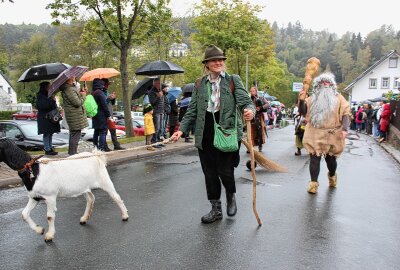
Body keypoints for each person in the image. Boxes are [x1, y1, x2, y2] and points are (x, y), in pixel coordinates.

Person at [170, 44, 255, 223]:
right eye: (214, 60)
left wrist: (249, 111)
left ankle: (231, 196)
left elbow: (245, 101)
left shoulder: (233, 80)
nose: (218, 63)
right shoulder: (200, 83)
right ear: (207, 64)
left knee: (224, 170)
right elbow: (192, 110)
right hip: (205, 131)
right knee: (209, 172)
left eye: (220, 60)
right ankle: (215, 208)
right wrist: (181, 130)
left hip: (227, 131)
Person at [298, 72, 350, 194]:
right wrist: (301, 100)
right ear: (318, 85)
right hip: (314, 132)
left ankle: (332, 176)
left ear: (332, 85)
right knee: (314, 158)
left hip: (333, 134)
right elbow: (303, 112)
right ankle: (313, 184)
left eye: (328, 82)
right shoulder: (311, 99)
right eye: (323, 82)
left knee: (331, 160)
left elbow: (346, 113)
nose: (325, 84)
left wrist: (345, 129)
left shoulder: (339, 98)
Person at [60, 76, 88, 155]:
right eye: (72, 77)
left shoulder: (70, 88)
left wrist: (82, 92)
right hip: (74, 116)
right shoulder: (69, 89)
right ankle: (73, 153)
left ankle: (72, 152)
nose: (74, 78)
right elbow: (77, 103)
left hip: (74, 115)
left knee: (75, 134)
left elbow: (76, 98)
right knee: (75, 135)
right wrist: (83, 95)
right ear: (68, 79)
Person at [36, 81, 61, 155]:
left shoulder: (49, 95)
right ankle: (47, 149)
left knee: (50, 133)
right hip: (45, 118)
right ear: (45, 87)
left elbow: (53, 106)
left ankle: (50, 147)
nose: (50, 88)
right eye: (49, 86)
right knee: (47, 133)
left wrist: (53, 100)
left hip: (50, 118)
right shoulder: (40, 96)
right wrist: (52, 101)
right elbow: (44, 106)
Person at [101, 78, 124, 151]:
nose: (108, 86)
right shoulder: (100, 92)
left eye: (108, 84)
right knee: (104, 132)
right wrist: (108, 98)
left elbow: (112, 103)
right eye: (107, 84)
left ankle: (116, 145)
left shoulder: (106, 92)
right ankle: (105, 147)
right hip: (104, 115)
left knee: (113, 130)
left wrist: (113, 98)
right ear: (104, 84)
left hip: (110, 115)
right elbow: (102, 103)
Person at [148, 78, 170, 147]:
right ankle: (154, 142)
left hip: (161, 111)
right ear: (154, 84)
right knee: (156, 128)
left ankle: (158, 141)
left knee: (161, 128)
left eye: (160, 83)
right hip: (156, 112)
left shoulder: (160, 91)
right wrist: (158, 96)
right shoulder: (151, 92)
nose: (159, 85)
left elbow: (163, 102)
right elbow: (152, 102)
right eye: (158, 83)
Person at [91, 78, 111, 152]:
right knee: (103, 132)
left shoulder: (93, 93)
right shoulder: (100, 93)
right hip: (102, 115)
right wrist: (108, 115)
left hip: (94, 115)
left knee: (96, 132)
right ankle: (101, 149)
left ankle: (95, 147)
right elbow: (104, 105)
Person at [249, 86, 267, 152]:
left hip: (258, 117)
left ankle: (260, 145)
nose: (252, 92)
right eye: (251, 91)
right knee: (250, 132)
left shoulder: (261, 98)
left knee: (259, 131)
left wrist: (261, 107)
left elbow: (267, 104)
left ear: (256, 92)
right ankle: (250, 146)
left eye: (253, 91)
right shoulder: (249, 99)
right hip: (251, 117)